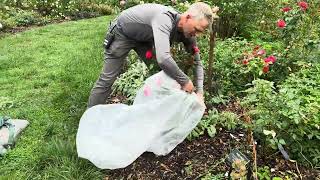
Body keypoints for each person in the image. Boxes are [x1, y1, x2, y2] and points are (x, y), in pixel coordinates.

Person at [87, 2, 218, 108]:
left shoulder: (189, 34)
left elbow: (197, 62)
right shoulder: (164, 19)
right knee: (107, 79)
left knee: (160, 73)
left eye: (200, 32)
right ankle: (91, 119)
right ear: (188, 17)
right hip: (123, 33)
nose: (197, 34)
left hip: (144, 39)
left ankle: (156, 110)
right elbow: (163, 57)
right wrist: (184, 81)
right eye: (196, 29)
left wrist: (200, 92)